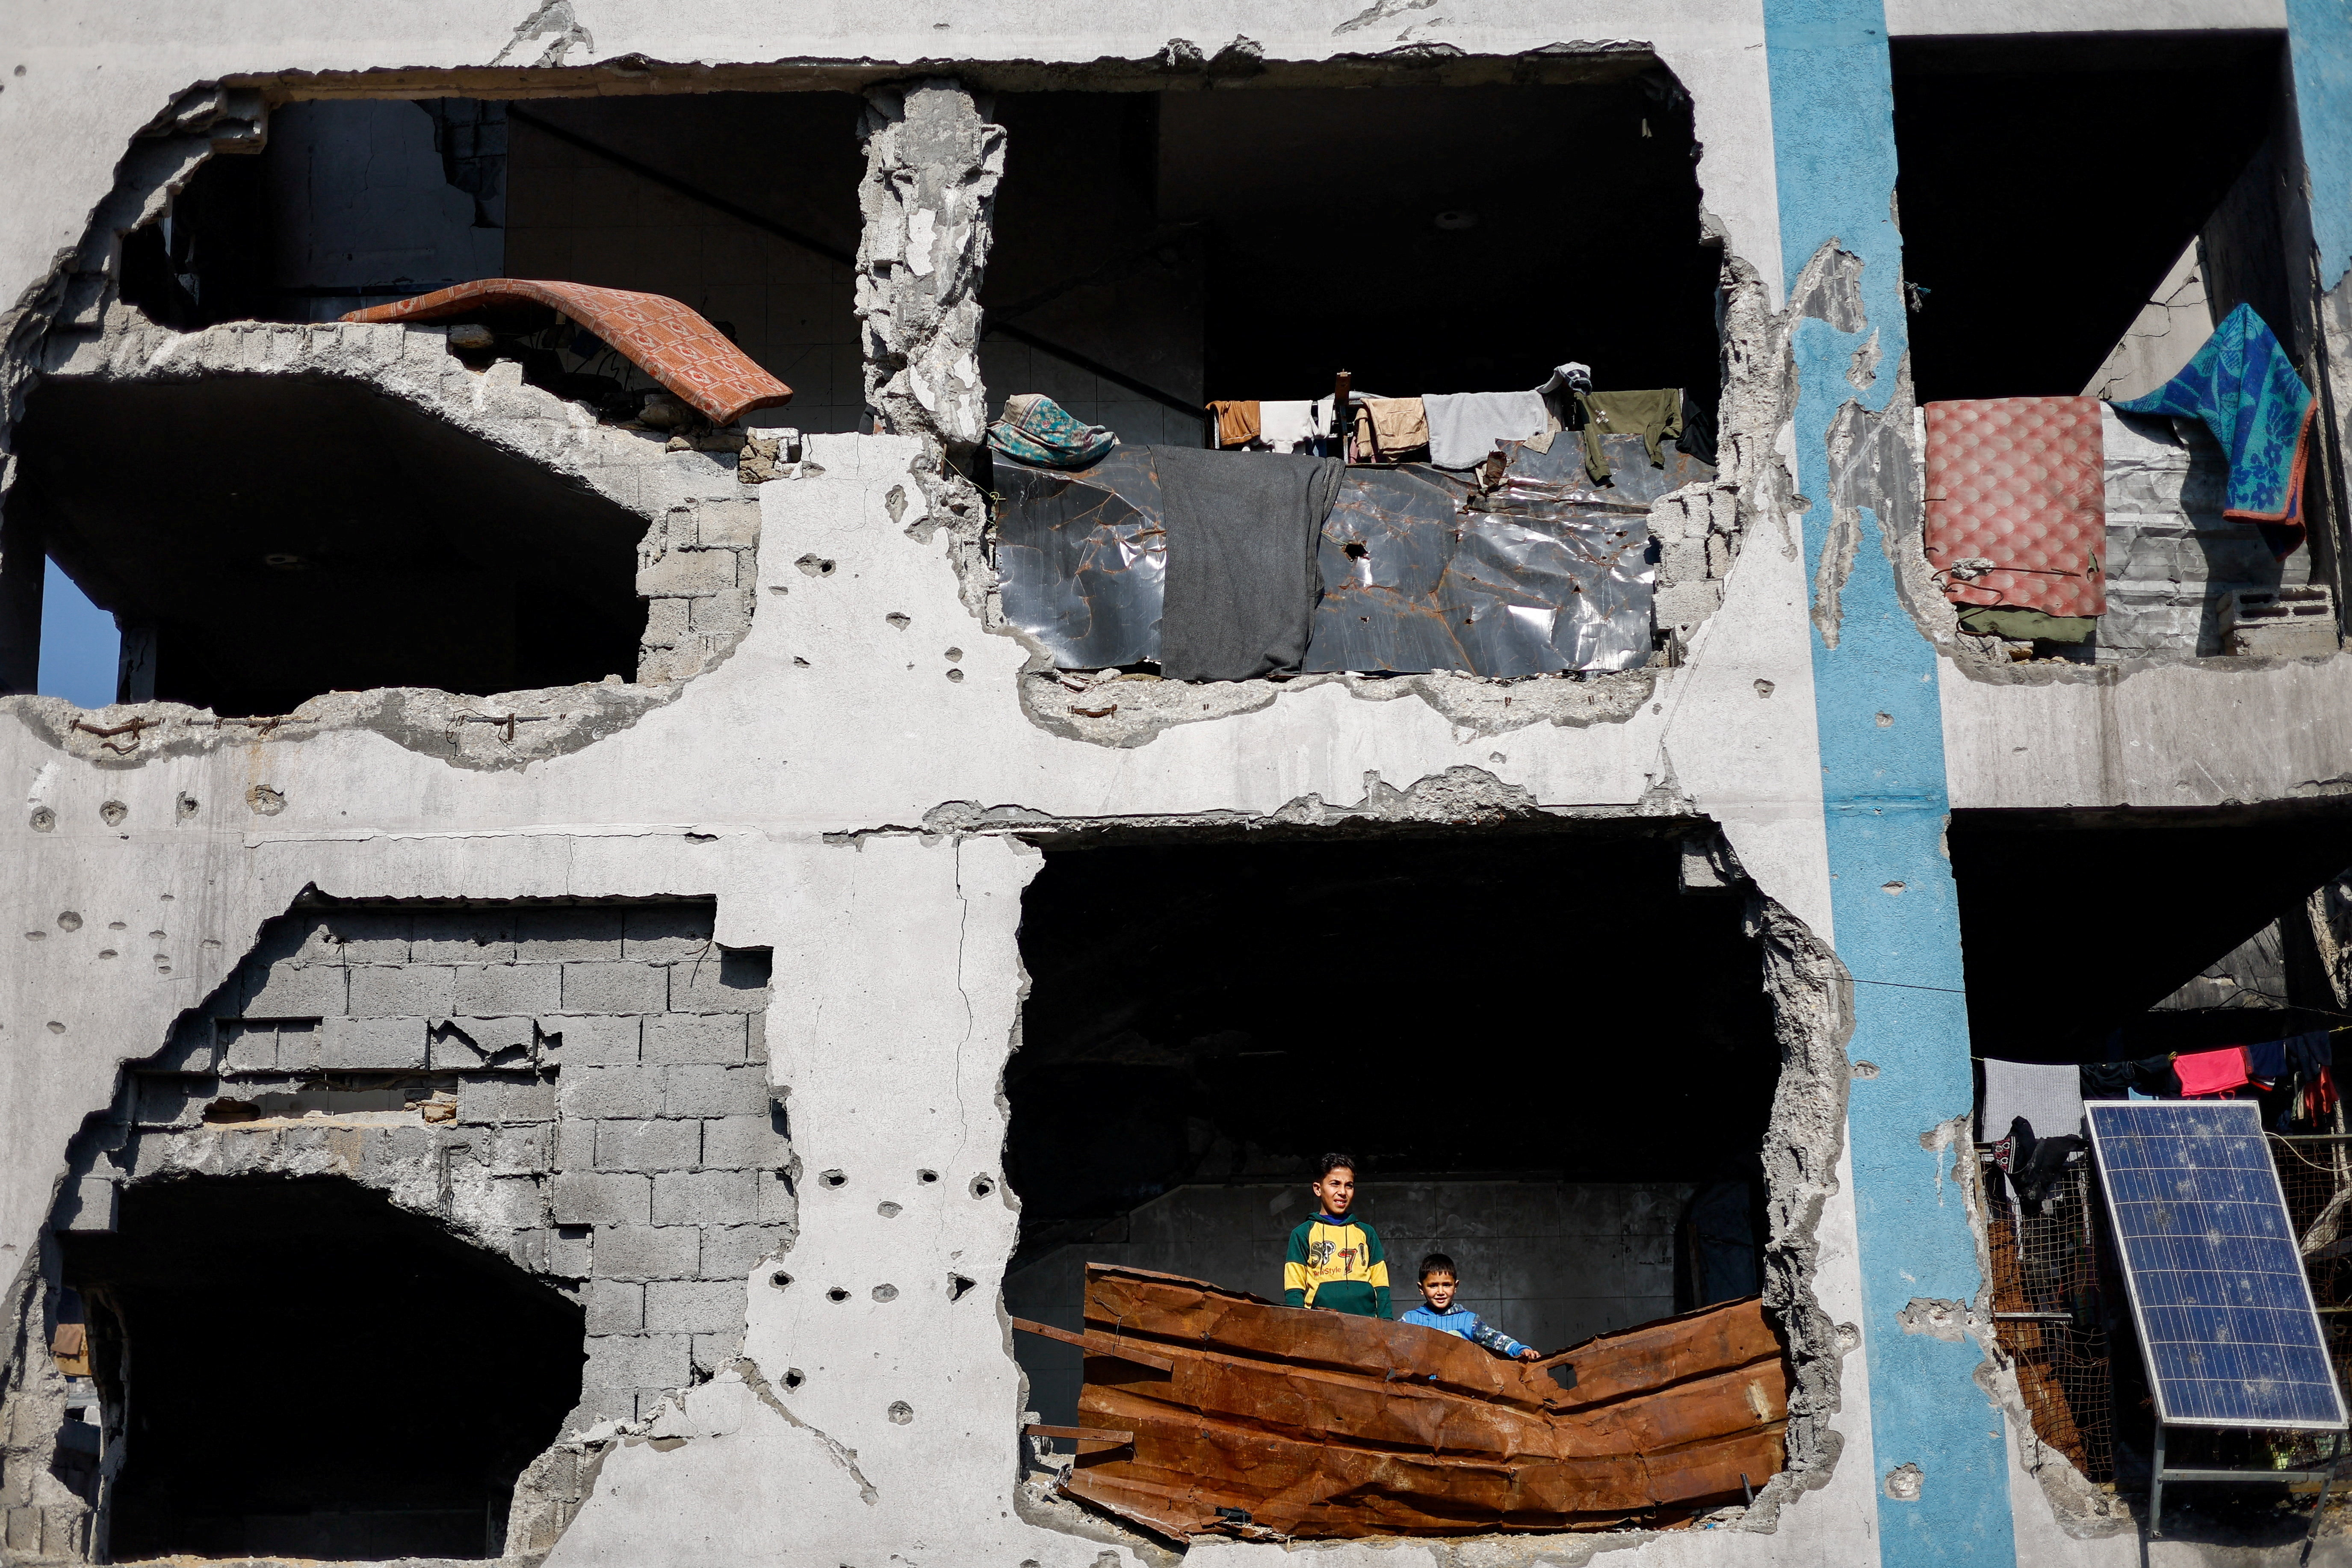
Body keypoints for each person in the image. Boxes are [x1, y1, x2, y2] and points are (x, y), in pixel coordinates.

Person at [1282, 1152, 1392, 1318]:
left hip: (1367, 1324)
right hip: (1320, 1325)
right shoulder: (1303, 1233)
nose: (1343, 1192)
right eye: (1335, 1184)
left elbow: (1382, 1285)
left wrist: (1387, 1322)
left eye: (1349, 1185)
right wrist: (1298, 1325)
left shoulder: (1366, 1233)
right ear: (1318, 1189)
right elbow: (1294, 1289)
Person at [1399, 1253, 1541, 1361]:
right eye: (1433, 1286)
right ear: (1421, 1288)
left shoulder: (1468, 1321)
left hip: (1461, 1392)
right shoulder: (1411, 1320)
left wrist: (1520, 1350)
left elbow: (1496, 1340)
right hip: (1421, 1394)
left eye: (1447, 1285)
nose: (1441, 1292)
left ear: (1456, 1286)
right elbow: (1390, 1346)